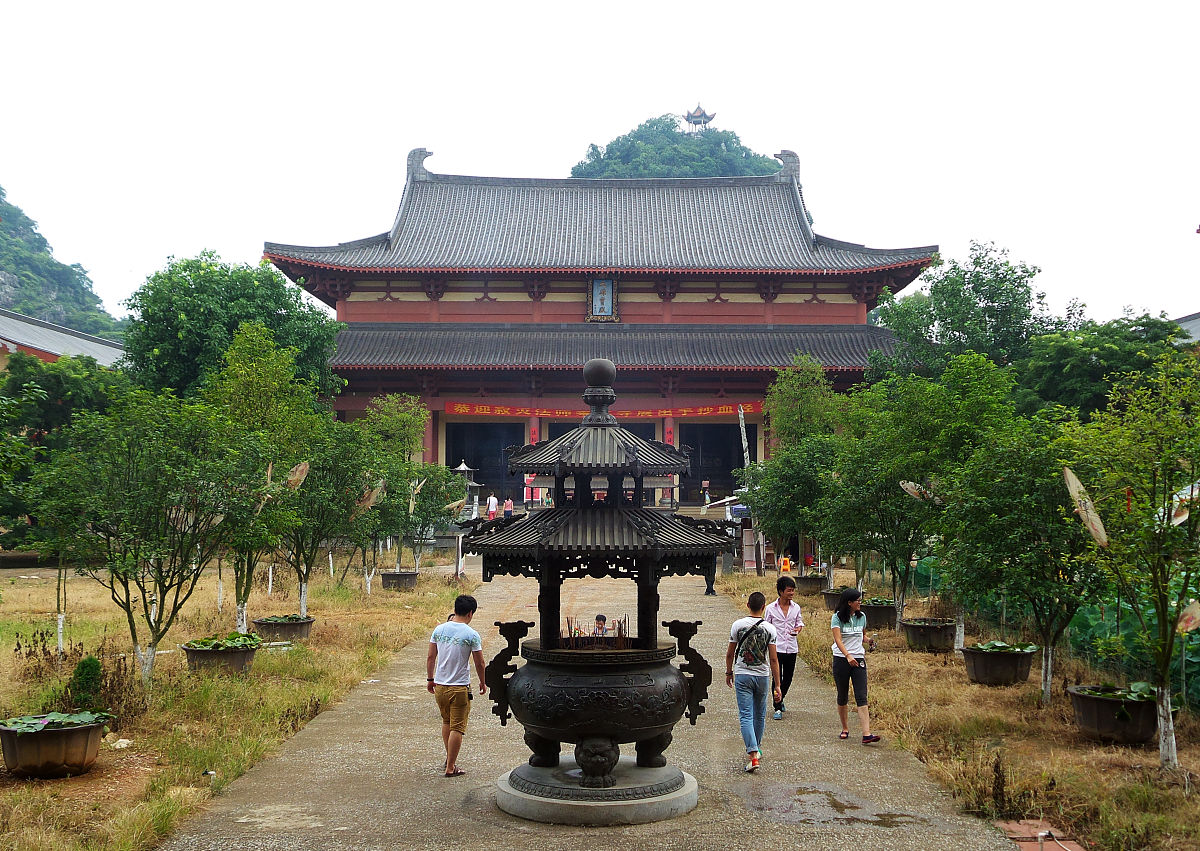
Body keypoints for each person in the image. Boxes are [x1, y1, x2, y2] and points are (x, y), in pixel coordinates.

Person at [427, 594, 487, 777]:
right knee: (458, 727)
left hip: (441, 685)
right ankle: (451, 766)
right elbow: (480, 663)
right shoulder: (471, 634)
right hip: (459, 687)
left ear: (455, 609)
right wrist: (483, 682)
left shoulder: (439, 630)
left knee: (447, 722)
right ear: (470, 613)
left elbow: (431, 657)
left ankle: (449, 758)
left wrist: (430, 679)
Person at [725, 591, 783, 773]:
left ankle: (752, 754)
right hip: (762, 676)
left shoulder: (737, 625)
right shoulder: (770, 629)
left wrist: (729, 672)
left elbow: (730, 653)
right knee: (759, 714)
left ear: (748, 605)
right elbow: (774, 659)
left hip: (743, 674)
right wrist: (778, 684)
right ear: (764, 607)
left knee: (745, 715)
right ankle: (756, 748)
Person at [831, 587, 880, 744]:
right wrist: (847, 656)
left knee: (861, 695)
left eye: (860, 600)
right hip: (841, 659)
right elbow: (838, 640)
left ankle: (866, 734)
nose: (860, 603)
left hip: (858, 658)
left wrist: (869, 640)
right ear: (849, 602)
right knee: (842, 695)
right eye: (857, 600)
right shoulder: (837, 618)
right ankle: (845, 728)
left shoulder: (862, 616)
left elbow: (862, 635)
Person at [764, 575, 804, 719]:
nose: (791, 593)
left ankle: (781, 698)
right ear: (781, 591)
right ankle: (777, 707)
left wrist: (797, 630)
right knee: (777, 678)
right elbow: (765, 627)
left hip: (791, 647)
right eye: (789, 590)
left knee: (788, 677)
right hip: (777, 648)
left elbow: (799, 623)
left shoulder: (796, 608)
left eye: (793, 591)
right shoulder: (770, 609)